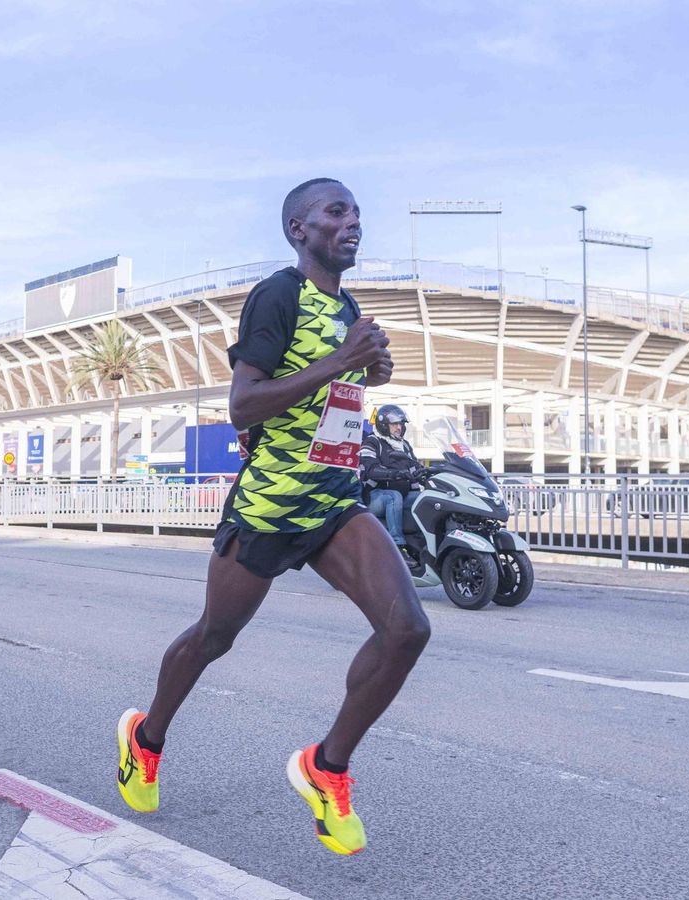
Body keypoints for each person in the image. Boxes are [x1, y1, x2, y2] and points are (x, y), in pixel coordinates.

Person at [116, 179, 431, 856]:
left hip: (333, 500)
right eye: (337, 212)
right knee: (214, 638)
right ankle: (146, 740)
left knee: (406, 629)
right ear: (300, 229)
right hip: (269, 506)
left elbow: (335, 394)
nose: (354, 223)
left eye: (357, 214)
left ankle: (327, 767)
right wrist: (339, 360)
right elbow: (244, 405)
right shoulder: (277, 295)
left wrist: (367, 371)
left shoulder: (347, 308)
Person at [360, 404, 427, 571]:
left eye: (401, 424)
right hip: (374, 497)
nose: (399, 427)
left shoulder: (404, 445)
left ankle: (423, 544)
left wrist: (429, 473)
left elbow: (414, 467)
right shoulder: (372, 442)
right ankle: (398, 548)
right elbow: (370, 469)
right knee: (393, 496)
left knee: (426, 500)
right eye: (395, 424)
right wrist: (395, 474)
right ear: (383, 425)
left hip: (402, 495)